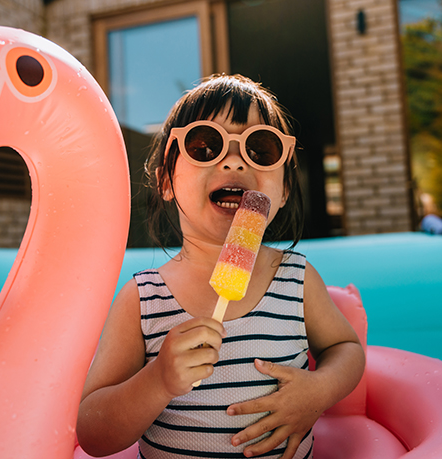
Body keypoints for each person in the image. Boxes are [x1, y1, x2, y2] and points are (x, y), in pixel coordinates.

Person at [77, 74, 365, 459]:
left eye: (261, 149)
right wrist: (157, 381)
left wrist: (319, 390)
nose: (234, 160)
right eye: (204, 146)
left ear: (282, 192)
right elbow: (93, 433)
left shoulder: (295, 279)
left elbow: (346, 348)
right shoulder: (143, 300)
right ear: (166, 180)